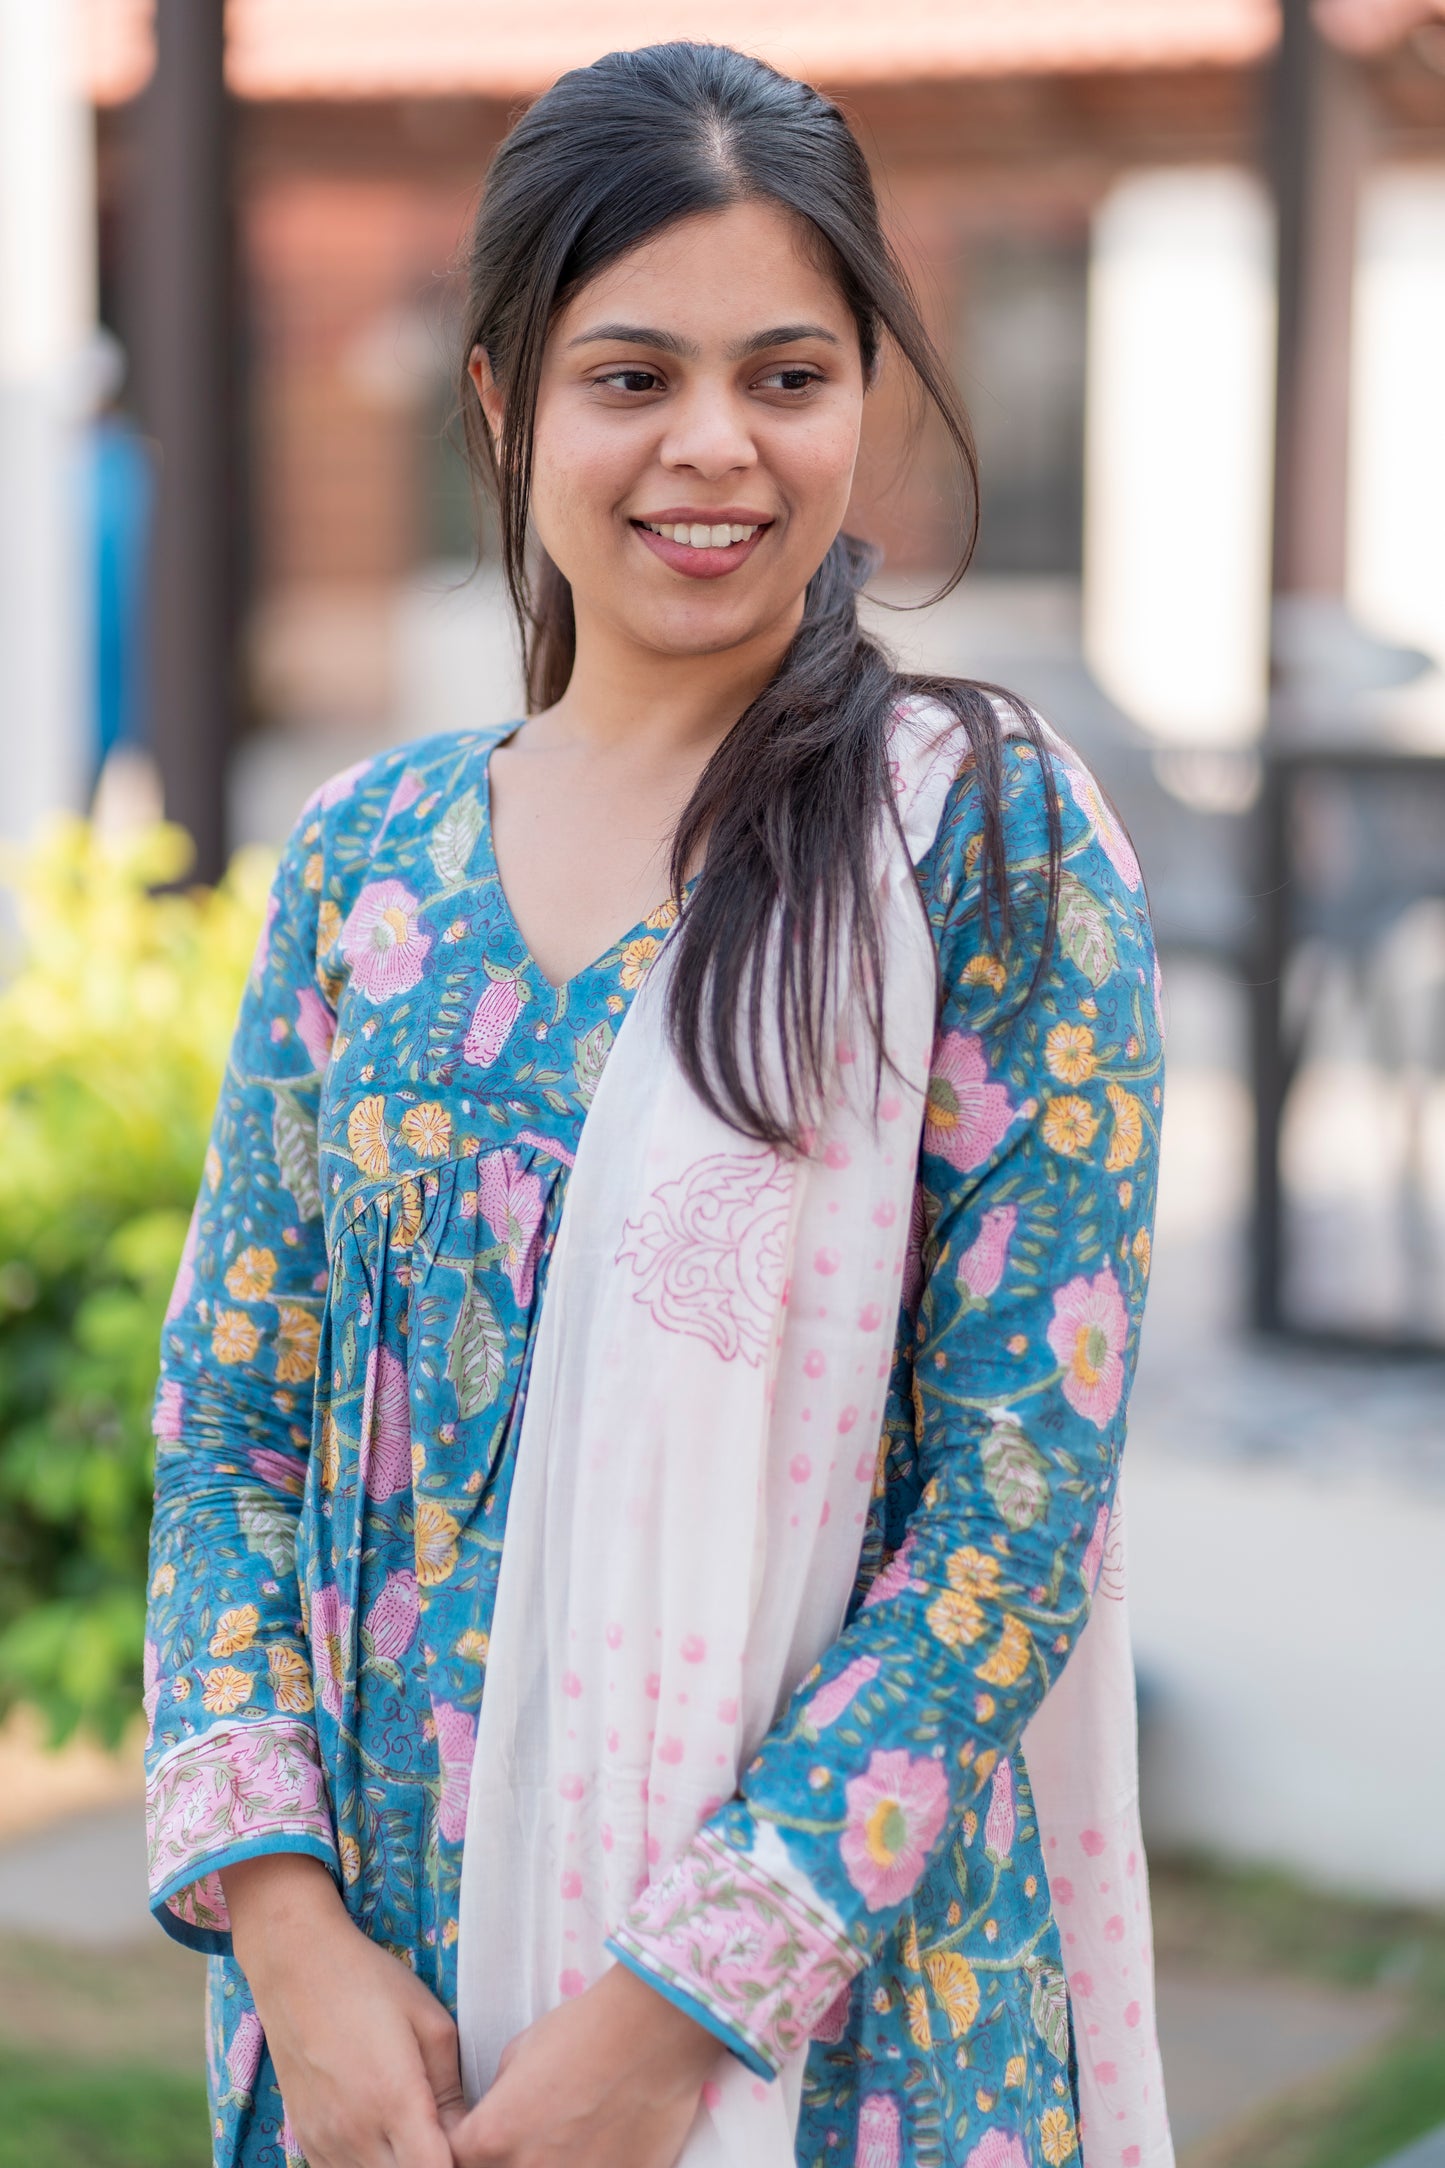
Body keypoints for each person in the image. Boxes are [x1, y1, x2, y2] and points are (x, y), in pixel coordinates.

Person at [143, 42, 1169, 2168]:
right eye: (633, 378)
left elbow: (1013, 1515)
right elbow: (234, 1425)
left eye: (788, 375)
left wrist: (671, 2011)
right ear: (507, 406)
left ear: (867, 395)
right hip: (380, 2030)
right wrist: (289, 1942)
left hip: (822, 2036)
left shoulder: (977, 841)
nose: (715, 446)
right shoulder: (369, 865)